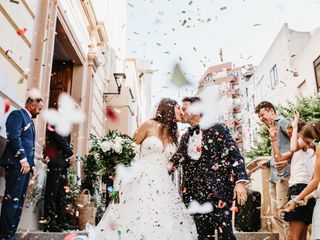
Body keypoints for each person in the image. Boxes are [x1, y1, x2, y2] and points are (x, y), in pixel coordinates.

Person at [83, 98, 197, 239]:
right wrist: (116, 163)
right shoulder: (149, 125)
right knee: (137, 213)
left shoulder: (175, 135)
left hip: (163, 182)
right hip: (141, 178)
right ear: (168, 108)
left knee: (161, 218)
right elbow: (129, 148)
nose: (181, 111)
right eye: (178, 107)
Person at [167, 96, 248, 240]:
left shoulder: (217, 128)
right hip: (194, 193)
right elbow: (179, 156)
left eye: (184, 108)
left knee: (225, 234)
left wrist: (240, 181)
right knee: (203, 236)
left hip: (218, 191)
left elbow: (234, 154)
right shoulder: (185, 136)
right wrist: (169, 164)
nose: (181, 111)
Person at [0, 97, 43, 240]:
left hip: (24, 167)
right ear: (31, 106)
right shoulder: (17, 115)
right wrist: (23, 159)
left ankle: (10, 234)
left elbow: (28, 145)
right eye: (39, 108)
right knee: (12, 200)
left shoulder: (29, 120)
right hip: (16, 165)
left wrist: (32, 165)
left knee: (18, 202)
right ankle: (5, 235)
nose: (40, 112)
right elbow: (14, 137)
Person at [270, 112, 315, 240]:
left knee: (293, 237)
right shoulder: (301, 149)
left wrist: (295, 126)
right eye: (290, 135)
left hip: (299, 188)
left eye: (292, 134)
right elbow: (278, 157)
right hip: (306, 190)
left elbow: (294, 146)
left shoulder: (305, 143)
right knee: (301, 236)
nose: (291, 138)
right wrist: (274, 140)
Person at [255, 101, 291, 240]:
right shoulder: (272, 128)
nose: (261, 118)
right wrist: (268, 161)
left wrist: (287, 160)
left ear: (271, 110)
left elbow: (298, 145)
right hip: (274, 177)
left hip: (284, 175)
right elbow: (279, 151)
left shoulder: (283, 122)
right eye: (259, 117)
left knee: (284, 213)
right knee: (276, 216)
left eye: (262, 114)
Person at [285, 121, 320, 240]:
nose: (309, 146)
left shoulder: (317, 150)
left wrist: (296, 199)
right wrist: (308, 196)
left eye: (309, 142)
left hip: (300, 188)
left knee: (294, 236)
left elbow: (316, 181)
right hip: (310, 193)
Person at [43, 126, 77, 232]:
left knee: (61, 194)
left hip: (62, 162)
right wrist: (70, 153)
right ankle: (50, 223)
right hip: (55, 161)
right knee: (52, 192)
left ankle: (61, 222)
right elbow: (58, 137)